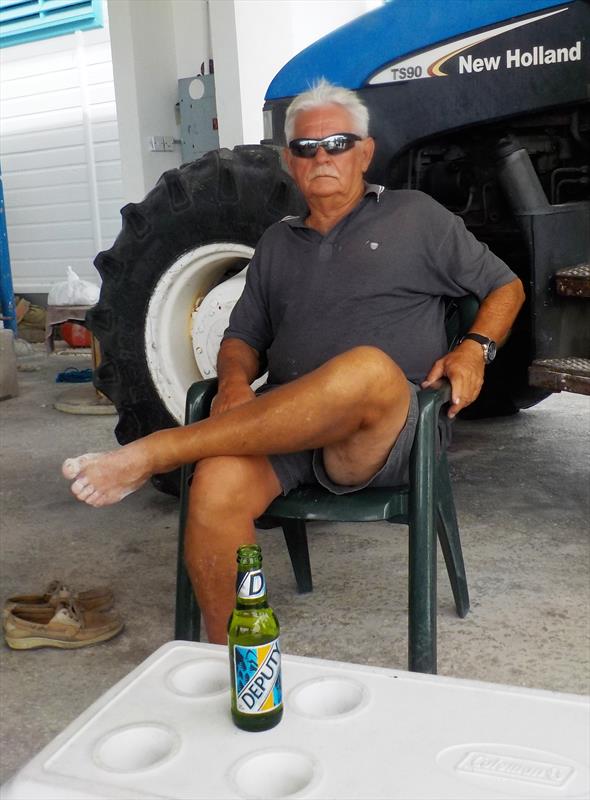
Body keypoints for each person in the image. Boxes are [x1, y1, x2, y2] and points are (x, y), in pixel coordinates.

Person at [63, 80, 525, 644]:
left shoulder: (416, 218)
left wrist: (475, 349)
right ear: (290, 162)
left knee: (367, 369)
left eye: (337, 143)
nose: (322, 157)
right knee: (214, 486)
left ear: (365, 151)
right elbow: (242, 336)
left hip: (386, 436)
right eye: (307, 148)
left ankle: (155, 453)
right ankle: (235, 662)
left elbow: (505, 285)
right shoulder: (278, 243)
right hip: (288, 436)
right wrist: (233, 380)